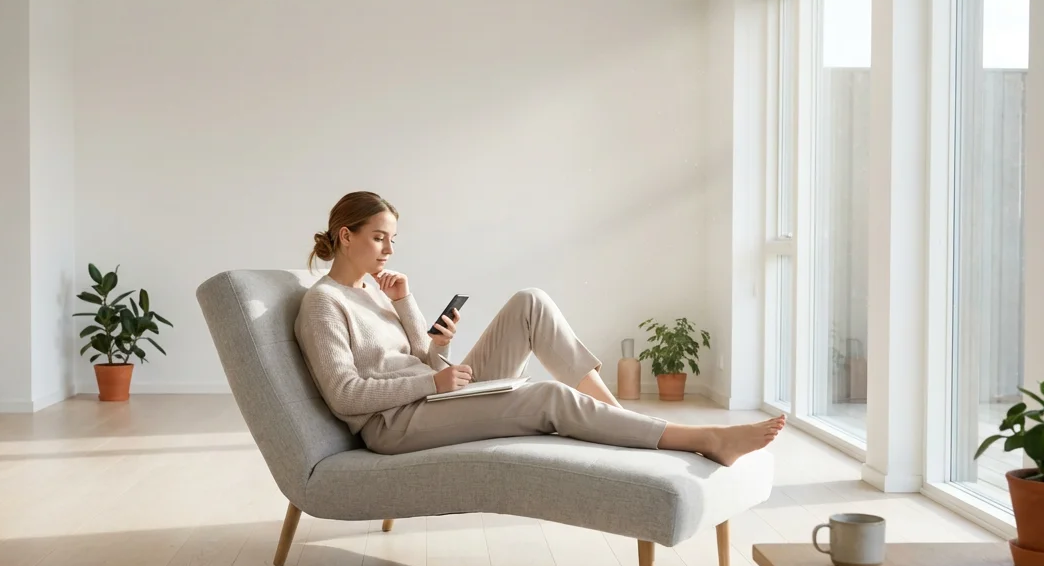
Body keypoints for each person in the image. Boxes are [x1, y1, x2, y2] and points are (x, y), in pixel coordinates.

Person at [294, 191, 785, 464]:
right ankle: (703, 440)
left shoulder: (378, 290)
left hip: (429, 395)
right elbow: (344, 395)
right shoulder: (323, 304)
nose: (388, 250)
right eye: (379, 238)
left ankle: (621, 422)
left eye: (393, 239)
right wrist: (431, 381)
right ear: (345, 235)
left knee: (531, 303)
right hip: (394, 424)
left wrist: (416, 319)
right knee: (547, 398)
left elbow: (426, 358)